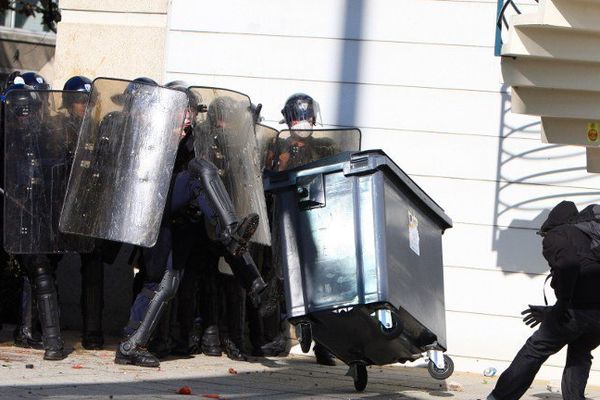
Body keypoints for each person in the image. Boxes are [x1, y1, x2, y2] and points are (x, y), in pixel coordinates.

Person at [114, 81, 267, 367]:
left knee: (164, 282)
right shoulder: (143, 131)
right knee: (200, 170)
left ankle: (132, 343)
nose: (188, 116)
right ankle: (231, 232)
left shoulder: (188, 137)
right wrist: (167, 138)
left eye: (191, 110)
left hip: (171, 219)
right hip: (148, 207)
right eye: (183, 109)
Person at [488, 201, 600, 400]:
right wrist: (552, 310)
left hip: (575, 311)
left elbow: (569, 265)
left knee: (535, 350)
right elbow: (587, 277)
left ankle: (499, 398)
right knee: (580, 353)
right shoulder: (592, 237)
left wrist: (561, 306)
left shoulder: (558, 234)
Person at [3, 82, 66, 360]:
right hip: (5, 210)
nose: (27, 116)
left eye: (33, 110)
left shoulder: (44, 136)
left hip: (27, 213)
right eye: (22, 112)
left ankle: (49, 341)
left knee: (40, 272)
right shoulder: (5, 134)